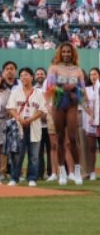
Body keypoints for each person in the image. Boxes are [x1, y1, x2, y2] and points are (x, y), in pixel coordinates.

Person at [45, 42, 86, 185]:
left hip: (72, 104)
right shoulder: (54, 68)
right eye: (64, 52)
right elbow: (50, 87)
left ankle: (77, 170)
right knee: (60, 138)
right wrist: (65, 89)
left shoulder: (78, 70)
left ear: (73, 53)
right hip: (58, 104)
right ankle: (62, 171)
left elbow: (83, 92)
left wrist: (77, 94)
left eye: (69, 52)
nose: (66, 54)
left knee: (73, 138)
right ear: (60, 53)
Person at [6, 67, 47, 187]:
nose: (24, 77)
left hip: (34, 126)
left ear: (32, 77)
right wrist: (20, 118)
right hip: (19, 127)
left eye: (26, 75)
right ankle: (14, 178)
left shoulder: (38, 93)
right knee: (17, 155)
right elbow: (10, 108)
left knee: (34, 155)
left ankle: (32, 178)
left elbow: (42, 110)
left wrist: (30, 119)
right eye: (22, 75)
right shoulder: (15, 92)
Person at [83, 67, 99, 180]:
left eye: (95, 74)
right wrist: (92, 115)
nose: (93, 76)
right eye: (91, 74)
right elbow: (84, 104)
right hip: (90, 122)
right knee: (91, 148)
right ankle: (92, 172)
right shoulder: (86, 89)